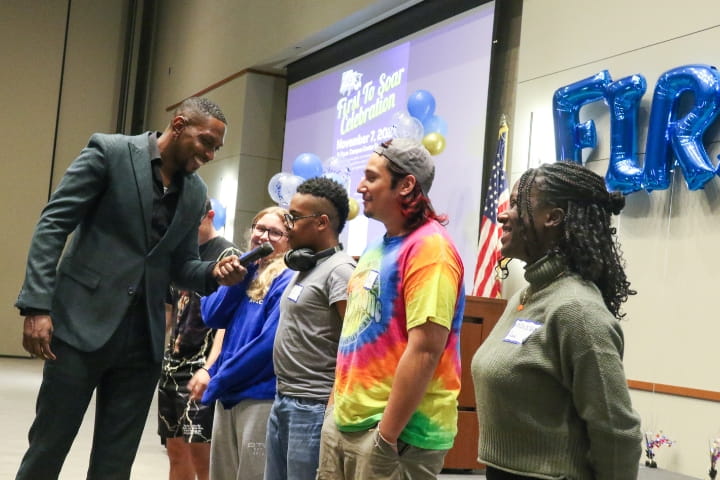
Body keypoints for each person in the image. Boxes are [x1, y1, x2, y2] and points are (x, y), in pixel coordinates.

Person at [14, 97, 246, 480]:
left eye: (215, 149)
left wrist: (214, 273)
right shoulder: (110, 152)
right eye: (205, 141)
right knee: (48, 445)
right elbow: (54, 224)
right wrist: (37, 305)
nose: (208, 154)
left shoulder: (194, 192)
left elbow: (182, 265)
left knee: (115, 462)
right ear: (179, 124)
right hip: (79, 326)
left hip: (143, 341)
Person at [470, 161, 642, 479]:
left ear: (552, 217)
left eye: (517, 205)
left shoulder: (577, 310)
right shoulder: (526, 298)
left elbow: (618, 433)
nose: (503, 215)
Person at [317, 138, 466, 480]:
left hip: (397, 438)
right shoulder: (375, 249)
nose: (360, 186)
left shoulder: (431, 250)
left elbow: (426, 350)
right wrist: (333, 413)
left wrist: (386, 437)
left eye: (371, 177)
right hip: (346, 424)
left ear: (406, 185)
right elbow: (355, 334)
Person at [264, 177, 356, 480]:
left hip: (313, 408)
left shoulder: (340, 271)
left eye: (294, 217)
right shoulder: (305, 268)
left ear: (322, 222)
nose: (287, 225)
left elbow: (355, 347)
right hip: (283, 400)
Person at [197, 206, 294, 480]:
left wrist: (217, 379)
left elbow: (266, 346)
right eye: (260, 229)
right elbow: (212, 315)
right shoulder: (246, 270)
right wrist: (237, 278)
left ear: (289, 241)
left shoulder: (286, 279)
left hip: (259, 396)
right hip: (228, 394)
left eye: (275, 232)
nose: (264, 236)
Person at [158, 198, 237, 480]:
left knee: (202, 459)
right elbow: (169, 310)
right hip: (172, 368)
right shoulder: (179, 255)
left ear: (209, 216)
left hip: (201, 369)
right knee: (176, 454)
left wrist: (209, 369)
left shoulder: (228, 256)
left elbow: (230, 323)